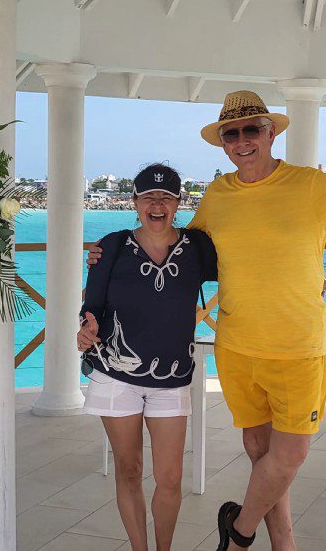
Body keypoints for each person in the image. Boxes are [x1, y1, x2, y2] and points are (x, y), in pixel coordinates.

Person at [89, 91, 326, 551]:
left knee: (290, 454)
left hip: (296, 348)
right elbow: (182, 244)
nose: (242, 140)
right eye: (232, 133)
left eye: (252, 129)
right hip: (236, 347)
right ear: (223, 143)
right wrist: (109, 252)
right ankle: (283, 544)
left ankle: (238, 531)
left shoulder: (311, 185)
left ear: (271, 133)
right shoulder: (218, 193)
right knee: (260, 454)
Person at [77, 163, 217, 551]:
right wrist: (86, 329)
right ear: (134, 202)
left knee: (170, 478)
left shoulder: (199, 248)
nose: (158, 204)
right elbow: (92, 306)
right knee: (129, 469)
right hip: (114, 377)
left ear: (179, 203)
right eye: (148, 197)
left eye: (167, 197)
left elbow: (248, 269)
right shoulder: (112, 247)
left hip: (172, 379)